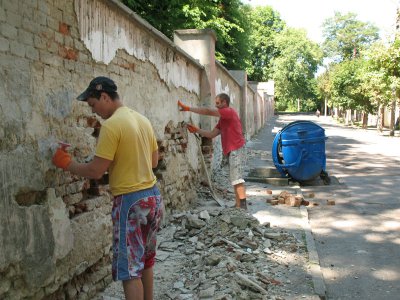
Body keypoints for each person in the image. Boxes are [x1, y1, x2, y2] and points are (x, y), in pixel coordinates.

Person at [52, 76, 163, 300]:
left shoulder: (111, 126)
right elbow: (153, 162)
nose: (94, 112)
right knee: (146, 260)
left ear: (105, 97)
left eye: (93, 105)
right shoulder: (142, 120)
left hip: (131, 203)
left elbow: (95, 171)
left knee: (130, 270)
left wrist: (66, 163)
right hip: (153, 198)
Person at [178, 93, 247, 209]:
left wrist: (188, 108)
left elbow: (207, 111)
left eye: (218, 103)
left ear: (225, 102)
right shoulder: (223, 120)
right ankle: (238, 205)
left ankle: (243, 205)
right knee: (234, 178)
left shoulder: (228, 112)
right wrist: (196, 130)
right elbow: (211, 134)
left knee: (237, 177)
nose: (216, 106)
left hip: (237, 148)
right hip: (233, 149)